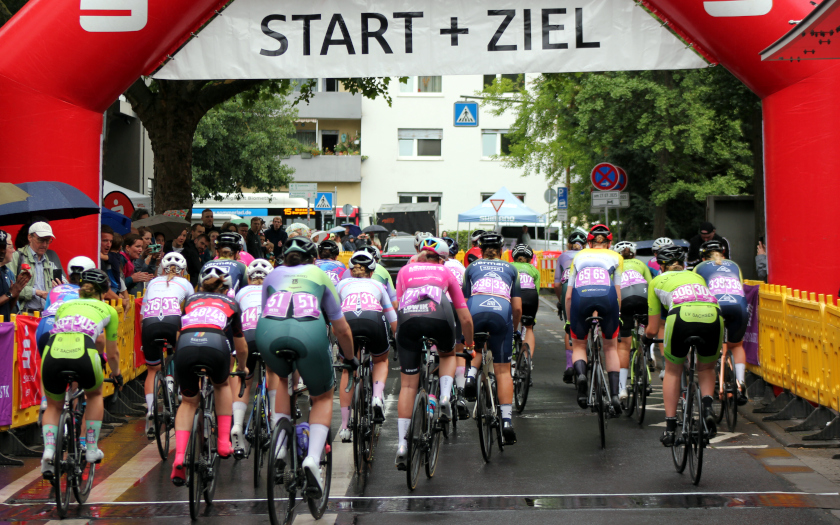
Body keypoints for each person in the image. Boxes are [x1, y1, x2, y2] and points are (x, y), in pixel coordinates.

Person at [256, 237, 357, 498]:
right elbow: (341, 327)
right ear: (313, 259)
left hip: (268, 332)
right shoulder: (319, 275)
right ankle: (312, 458)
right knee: (322, 396)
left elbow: (264, 309)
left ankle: (279, 447)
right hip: (308, 333)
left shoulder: (273, 274)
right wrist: (350, 357)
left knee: (282, 378)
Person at [393, 237, 474, 469]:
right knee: (448, 354)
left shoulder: (405, 271)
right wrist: (468, 344)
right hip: (439, 314)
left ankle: (401, 444)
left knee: (408, 386)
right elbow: (465, 316)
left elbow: (399, 307)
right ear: (443, 259)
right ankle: (446, 396)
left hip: (409, 319)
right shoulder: (446, 273)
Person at [170, 265, 247, 485]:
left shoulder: (190, 301)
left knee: (188, 402)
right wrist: (242, 367)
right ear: (226, 289)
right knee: (222, 385)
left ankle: (179, 457)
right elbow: (240, 347)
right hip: (215, 344)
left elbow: (178, 332)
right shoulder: (232, 303)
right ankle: (224, 442)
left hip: (186, 345)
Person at [39, 269, 121, 476]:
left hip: (52, 352)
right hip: (83, 352)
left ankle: (49, 450)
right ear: (103, 292)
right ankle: (91, 448)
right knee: (94, 394)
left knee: (54, 406)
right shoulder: (107, 309)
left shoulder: (64, 306)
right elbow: (111, 352)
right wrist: (117, 373)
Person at [644, 245, 723, 445]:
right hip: (713, 315)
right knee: (706, 368)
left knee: (672, 370)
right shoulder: (697, 277)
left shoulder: (656, 281)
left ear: (661, 266)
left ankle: (670, 429)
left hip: (681, 316)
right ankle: (707, 409)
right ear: (684, 264)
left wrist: (646, 339)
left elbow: (653, 329)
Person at [461, 232, 520, 443]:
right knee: (503, 370)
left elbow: (464, 302)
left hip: (475, 311)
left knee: (473, 346)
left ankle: (469, 376)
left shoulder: (471, 267)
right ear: (502, 250)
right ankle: (506, 421)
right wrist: (512, 330)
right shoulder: (511, 269)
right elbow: (518, 307)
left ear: (481, 250)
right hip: (501, 312)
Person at [335, 251, 397, 442]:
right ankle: (377, 397)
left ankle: (345, 427)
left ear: (351, 270)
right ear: (372, 270)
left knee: (347, 369)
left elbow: (333, 316)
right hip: (373, 320)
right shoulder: (378, 284)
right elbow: (392, 317)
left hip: (348, 322)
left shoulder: (341, 284)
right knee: (381, 360)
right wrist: (398, 339)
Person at [566, 224, 624, 413]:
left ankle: (582, 375)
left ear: (589, 242)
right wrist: (618, 315)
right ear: (609, 243)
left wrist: (569, 320)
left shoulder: (579, 256)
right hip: (607, 297)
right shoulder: (616, 256)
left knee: (579, 345)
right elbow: (617, 292)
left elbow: (568, 295)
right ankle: (615, 394)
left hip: (580, 298)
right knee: (610, 346)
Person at [139, 253, 194, 437]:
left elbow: (141, 316)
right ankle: (179, 391)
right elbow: (193, 311)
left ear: (161, 268)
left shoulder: (152, 283)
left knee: (152, 370)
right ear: (183, 271)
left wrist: (144, 340)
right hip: (173, 323)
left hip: (150, 324)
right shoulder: (186, 284)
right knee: (182, 357)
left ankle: (152, 409)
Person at [231, 258, 277, 456]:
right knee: (273, 372)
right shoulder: (275, 291)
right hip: (268, 334)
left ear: (249, 278)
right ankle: (275, 419)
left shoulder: (240, 292)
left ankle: (238, 425)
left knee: (244, 378)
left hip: (246, 337)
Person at [694, 240, 749, 404]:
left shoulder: (699, 268)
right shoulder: (734, 265)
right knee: (737, 345)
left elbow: (698, 292)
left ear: (703, 257)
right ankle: (740, 385)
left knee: (716, 346)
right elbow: (741, 286)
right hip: (739, 306)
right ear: (723, 254)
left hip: (715, 307)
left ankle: (722, 386)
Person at [611, 241, 652, 403]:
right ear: (633, 254)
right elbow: (650, 283)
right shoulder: (641, 263)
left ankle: (622, 388)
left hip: (624, 297)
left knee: (623, 346)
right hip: (642, 295)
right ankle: (644, 353)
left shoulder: (615, 263)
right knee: (645, 329)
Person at [441, 237, 470, 418]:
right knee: (458, 350)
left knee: (441, 350)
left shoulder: (437, 266)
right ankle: (460, 392)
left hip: (439, 307)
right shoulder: (461, 268)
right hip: (457, 306)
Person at [554, 230, 586, 384]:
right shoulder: (590, 254)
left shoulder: (563, 256)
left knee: (570, 326)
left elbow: (557, 284)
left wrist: (560, 300)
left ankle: (569, 365)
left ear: (569, 244)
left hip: (568, 288)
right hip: (588, 287)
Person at [10, 222, 62, 314]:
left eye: (48, 240)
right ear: (30, 237)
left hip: (45, 315)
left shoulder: (48, 260)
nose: (45, 244)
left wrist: (56, 289)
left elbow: (50, 292)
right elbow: (10, 289)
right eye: (41, 240)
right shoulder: (17, 256)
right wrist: (37, 292)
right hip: (24, 315)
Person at [511, 244, 540, 363]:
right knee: (528, 328)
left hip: (515, 295)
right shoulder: (534, 270)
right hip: (530, 295)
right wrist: (533, 317)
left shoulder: (509, 266)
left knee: (510, 325)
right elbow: (537, 294)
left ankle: (511, 357)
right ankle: (528, 361)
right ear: (530, 259)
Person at [204, 232, 248, 298]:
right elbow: (245, 293)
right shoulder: (242, 267)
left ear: (217, 252)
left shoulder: (206, 265)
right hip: (230, 304)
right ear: (237, 253)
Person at [0, 230, 29, 321]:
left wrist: (17, 288)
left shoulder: (5, 271)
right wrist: (10, 294)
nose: (2, 251)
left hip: (5, 327)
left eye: (4, 247)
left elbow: (8, 307)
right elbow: (8, 295)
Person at [99, 225, 126, 302]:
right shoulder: (96, 259)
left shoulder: (111, 256)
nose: (109, 244)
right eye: (105, 240)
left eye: (111, 241)